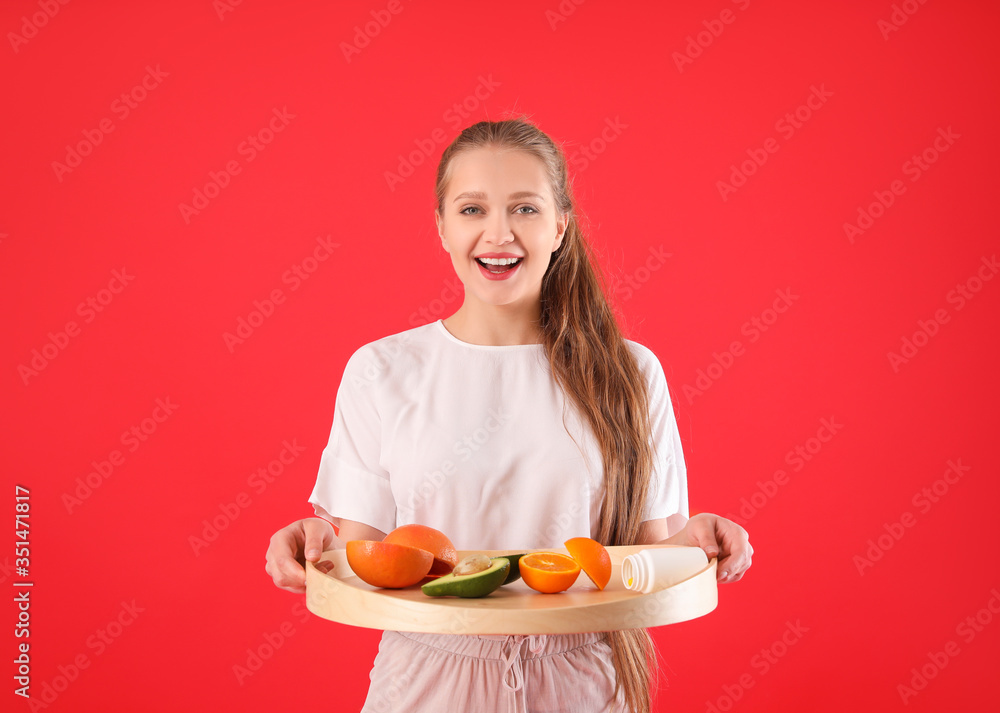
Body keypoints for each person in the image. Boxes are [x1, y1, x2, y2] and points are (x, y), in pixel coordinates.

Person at [265, 116, 753, 713]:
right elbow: (363, 555)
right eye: (472, 210)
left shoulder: (631, 372)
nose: (499, 234)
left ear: (560, 228)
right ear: (440, 227)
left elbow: (647, 554)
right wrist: (312, 544)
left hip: (584, 685)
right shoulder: (380, 370)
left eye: (525, 209)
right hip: (425, 683)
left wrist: (697, 540)